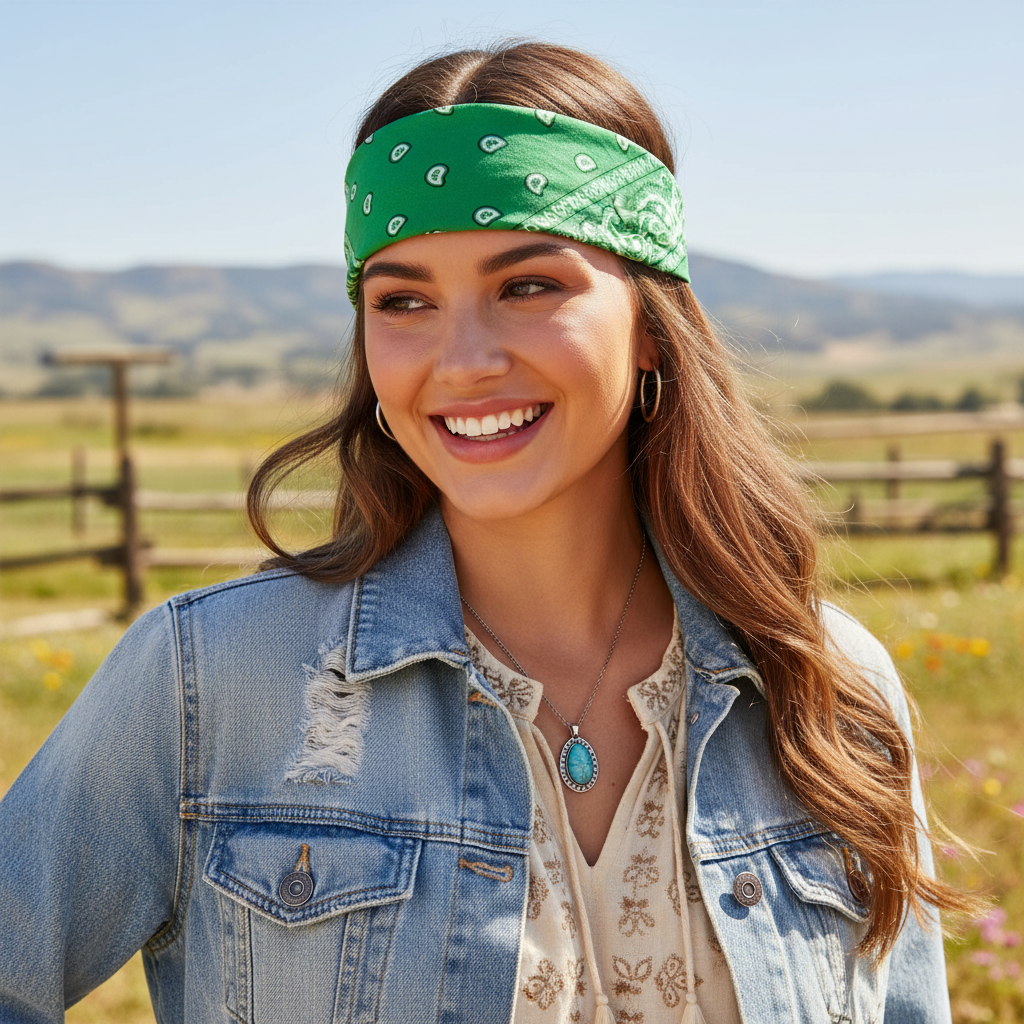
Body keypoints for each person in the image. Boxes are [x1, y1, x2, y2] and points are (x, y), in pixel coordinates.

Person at [0, 41, 971, 1024]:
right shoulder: (210, 679)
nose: (461, 361)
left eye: (528, 286)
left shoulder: (827, 684)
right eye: (404, 300)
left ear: (648, 322)